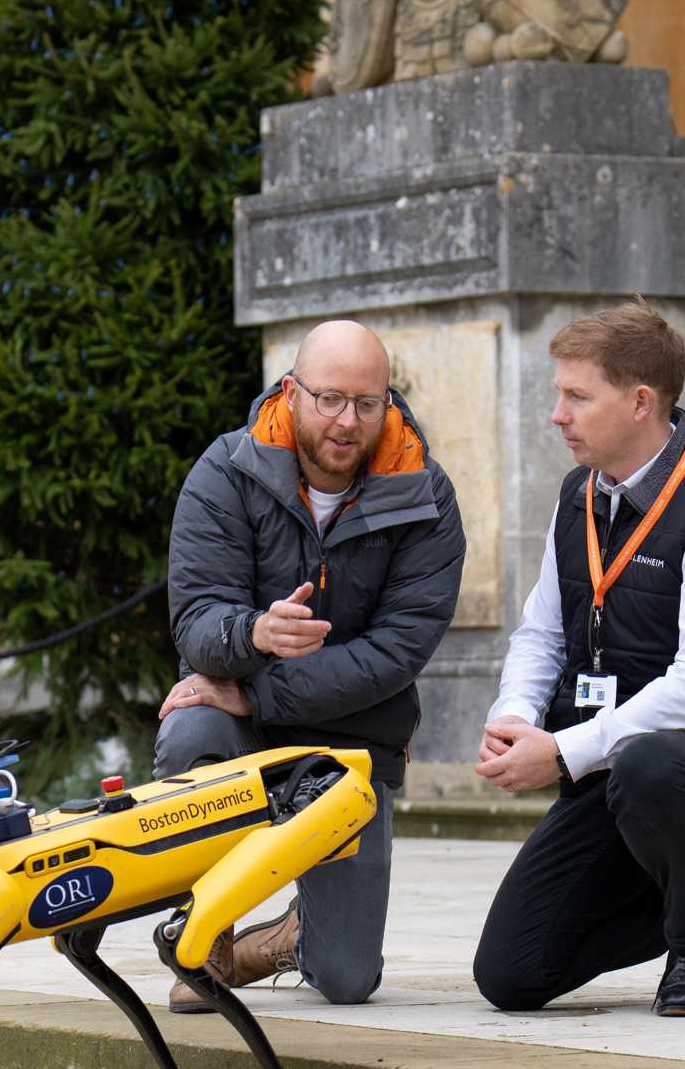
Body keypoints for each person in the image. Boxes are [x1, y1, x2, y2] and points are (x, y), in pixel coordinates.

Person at [472, 301, 685, 1017]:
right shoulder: (578, 494)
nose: (557, 414)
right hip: (599, 772)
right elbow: (542, 633)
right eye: (560, 395)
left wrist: (563, 751)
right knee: (510, 977)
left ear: (641, 402)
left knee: (651, 762)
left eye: (577, 396)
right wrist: (516, 717)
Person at [157, 319, 465, 1012]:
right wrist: (257, 632)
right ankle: (207, 942)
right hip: (243, 735)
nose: (346, 421)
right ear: (292, 393)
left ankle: (292, 938)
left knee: (348, 978)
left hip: (353, 746)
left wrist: (259, 695)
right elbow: (197, 624)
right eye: (328, 399)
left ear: (388, 402)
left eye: (365, 402)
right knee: (192, 730)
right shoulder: (227, 470)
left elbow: (397, 653)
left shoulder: (425, 494)